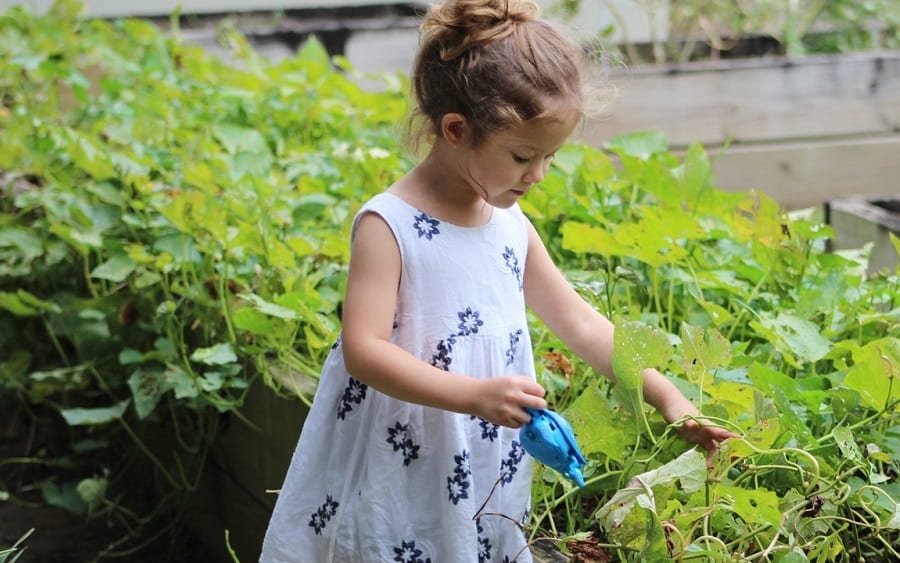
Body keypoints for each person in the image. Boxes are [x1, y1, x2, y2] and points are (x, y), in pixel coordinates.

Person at [259, 0, 737, 560]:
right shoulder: (389, 225)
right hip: (406, 452)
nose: (536, 175)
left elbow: (581, 324)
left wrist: (668, 397)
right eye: (521, 156)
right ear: (456, 130)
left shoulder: (510, 226)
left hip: (480, 456)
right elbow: (363, 351)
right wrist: (473, 395)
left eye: (549, 158)